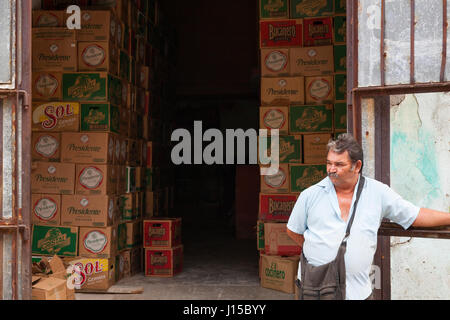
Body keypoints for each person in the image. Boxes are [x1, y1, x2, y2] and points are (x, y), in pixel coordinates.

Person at [286, 133, 450, 300]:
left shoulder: (378, 192)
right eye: (329, 163)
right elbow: (293, 231)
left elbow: (414, 215)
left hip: (357, 293)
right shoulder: (310, 195)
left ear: (357, 166)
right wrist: (319, 250)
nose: (331, 169)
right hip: (315, 290)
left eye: (339, 164)